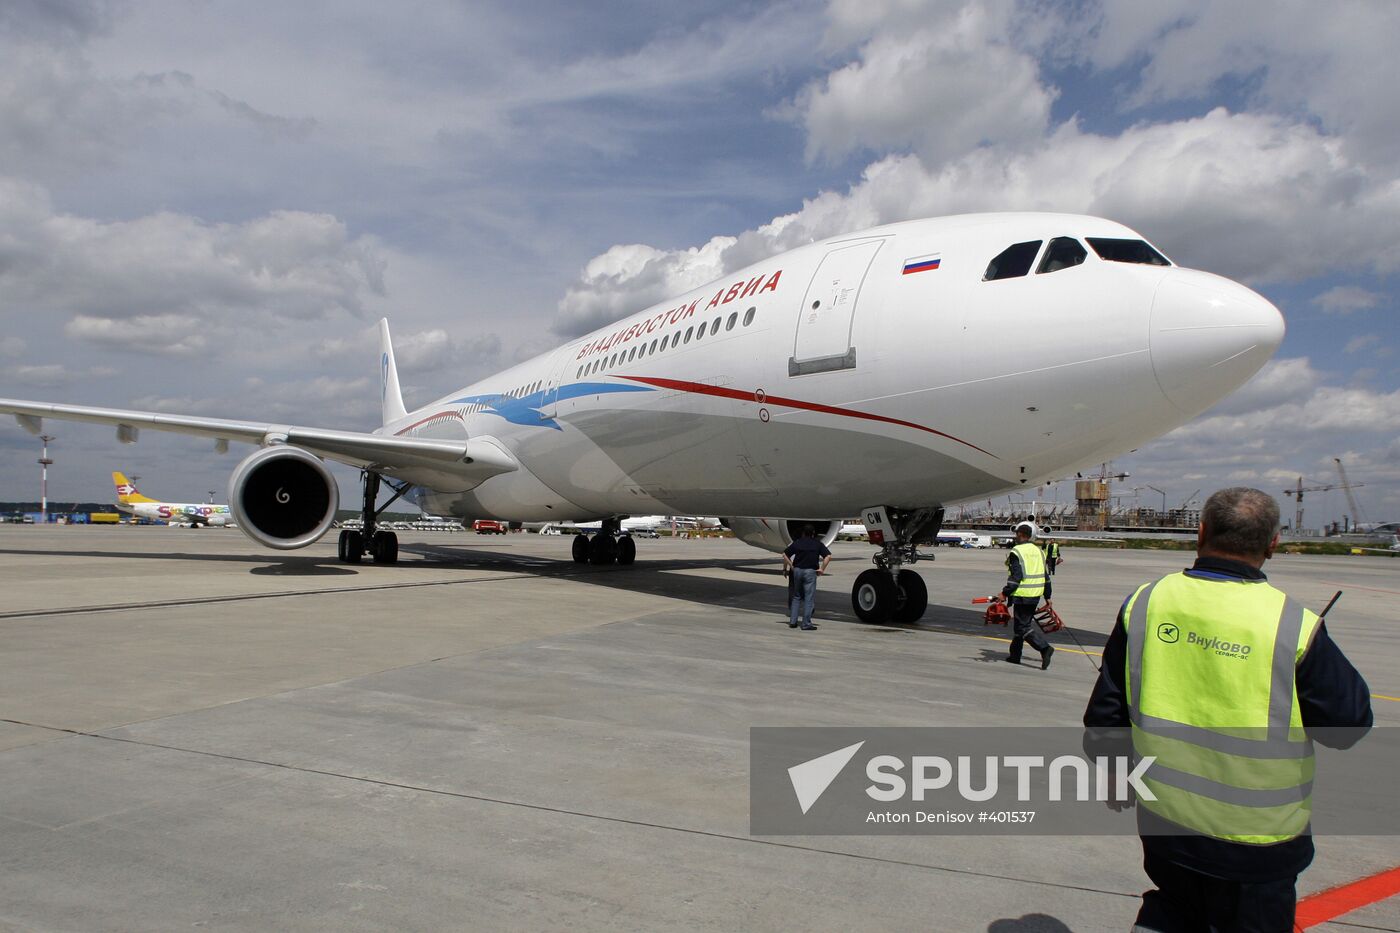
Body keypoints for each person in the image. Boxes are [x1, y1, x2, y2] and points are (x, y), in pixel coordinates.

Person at [1083, 487, 1372, 932]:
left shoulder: (1147, 601)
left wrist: (1118, 773)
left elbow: (1105, 714)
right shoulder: (1293, 624)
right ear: (1273, 543)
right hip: (1257, 845)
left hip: (1166, 825)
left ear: (1200, 532)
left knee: (1174, 908)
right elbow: (1348, 727)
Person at [1000, 522, 1054, 668]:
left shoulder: (1017, 552)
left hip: (1023, 595)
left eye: (1016, 534)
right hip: (1035, 595)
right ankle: (1015, 656)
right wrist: (1048, 596)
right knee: (1020, 626)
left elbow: (1016, 577)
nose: (1015, 537)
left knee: (1022, 628)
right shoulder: (1039, 551)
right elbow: (1046, 576)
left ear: (1020, 535)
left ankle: (1044, 648)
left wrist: (1004, 593)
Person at [783, 524, 831, 630]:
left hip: (797, 571)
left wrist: (791, 566)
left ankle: (793, 621)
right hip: (810, 572)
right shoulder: (817, 544)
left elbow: (785, 554)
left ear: (803, 533)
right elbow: (828, 556)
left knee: (796, 597)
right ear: (813, 534)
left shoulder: (798, 542)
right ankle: (806, 624)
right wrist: (822, 569)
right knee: (808, 598)